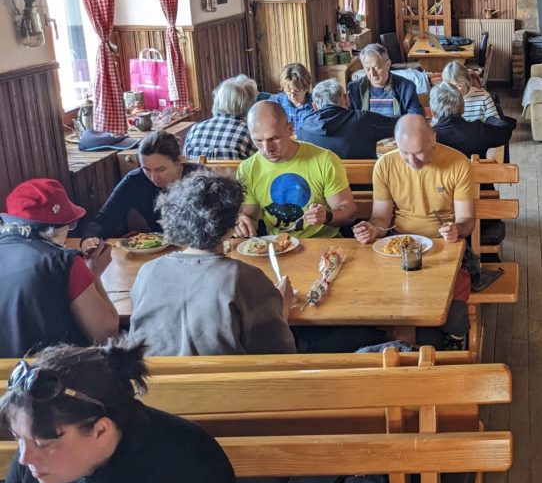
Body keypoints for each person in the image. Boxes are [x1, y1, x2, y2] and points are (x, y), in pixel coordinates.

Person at [0, 340, 245, 483]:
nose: (24, 458)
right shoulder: (35, 454)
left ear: (101, 431)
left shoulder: (190, 465)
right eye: (19, 438)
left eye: (43, 444)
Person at [129, 173, 296, 356]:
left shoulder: (147, 272)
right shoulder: (245, 277)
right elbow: (277, 353)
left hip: (153, 374)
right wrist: (282, 306)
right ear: (231, 225)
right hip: (228, 375)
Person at [353, 115, 477, 348]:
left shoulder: (458, 163)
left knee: (452, 315)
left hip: (444, 244)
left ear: (433, 139)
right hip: (399, 242)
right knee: (377, 299)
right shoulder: (385, 165)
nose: (412, 161)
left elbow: (467, 221)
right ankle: (406, 344)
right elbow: (380, 218)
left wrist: (457, 229)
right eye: (404, 153)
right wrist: (372, 230)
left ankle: (446, 339)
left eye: (419, 153)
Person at [0, 179, 119, 357]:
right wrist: (93, 274)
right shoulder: (64, 261)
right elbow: (105, 333)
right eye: (70, 224)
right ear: (55, 228)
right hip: (51, 370)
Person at [234, 101, 356, 238]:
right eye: (258, 141)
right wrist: (242, 223)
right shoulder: (248, 168)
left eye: (274, 138)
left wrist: (327, 216)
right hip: (277, 244)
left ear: (290, 129)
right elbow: (250, 218)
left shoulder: (324, 160)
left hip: (324, 242)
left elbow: (349, 214)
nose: (267, 149)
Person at [82, 132, 199, 240]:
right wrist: (89, 238)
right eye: (146, 169)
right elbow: (106, 218)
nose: (153, 178)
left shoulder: (200, 178)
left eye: (160, 170)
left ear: (180, 160)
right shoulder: (136, 180)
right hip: (161, 248)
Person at [297, 79, 398, 160]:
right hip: (363, 179)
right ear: (346, 99)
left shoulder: (303, 129)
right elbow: (400, 125)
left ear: (314, 106)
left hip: (321, 181)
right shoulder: (364, 119)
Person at [182, 75, 258, 161]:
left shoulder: (194, 130)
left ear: (217, 100)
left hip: (198, 170)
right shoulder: (250, 132)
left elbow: (185, 163)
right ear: (249, 103)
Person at [430, 83, 514, 160]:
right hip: (476, 172)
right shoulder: (479, 130)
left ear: (433, 112)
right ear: (462, 108)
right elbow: (506, 131)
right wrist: (489, 118)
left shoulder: (428, 138)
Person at [347, 44, 423, 117]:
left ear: (388, 64)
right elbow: (350, 120)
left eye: (377, 68)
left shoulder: (407, 87)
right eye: (367, 69)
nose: (372, 74)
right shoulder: (354, 89)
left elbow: (415, 119)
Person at [267, 62, 316, 128]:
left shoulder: (316, 103)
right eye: (288, 91)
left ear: (306, 87)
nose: (293, 96)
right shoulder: (275, 102)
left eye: (297, 91)